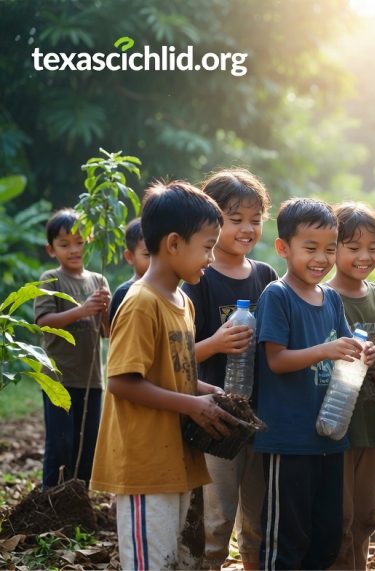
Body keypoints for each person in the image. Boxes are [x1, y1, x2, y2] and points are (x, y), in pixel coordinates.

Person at [90, 181, 237, 570]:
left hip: (176, 459)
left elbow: (175, 372)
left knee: (175, 560)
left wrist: (209, 392)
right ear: (174, 243)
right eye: (207, 247)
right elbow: (121, 381)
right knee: (151, 563)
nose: (211, 257)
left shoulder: (183, 302)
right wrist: (192, 404)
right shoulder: (141, 303)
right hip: (145, 463)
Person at [252, 197, 375, 570]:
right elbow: (276, 360)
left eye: (329, 249)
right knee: (286, 539)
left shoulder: (332, 298)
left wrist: (359, 354)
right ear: (283, 248)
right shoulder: (278, 296)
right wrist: (326, 350)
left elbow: (340, 351)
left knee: (327, 534)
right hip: (288, 440)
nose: (321, 258)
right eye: (310, 248)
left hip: (330, 437)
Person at [181, 168, 277, 571]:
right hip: (213, 416)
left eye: (255, 220)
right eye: (235, 219)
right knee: (216, 519)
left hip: (259, 416)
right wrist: (216, 344)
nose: (247, 228)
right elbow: (177, 359)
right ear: (212, 221)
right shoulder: (197, 280)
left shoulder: (266, 277)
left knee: (259, 519)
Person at [327, 202, 375, 571]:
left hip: (368, 417)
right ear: (332, 248)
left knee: (365, 514)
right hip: (334, 422)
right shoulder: (323, 297)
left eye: (373, 247)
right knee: (341, 515)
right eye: (353, 248)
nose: (364, 256)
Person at [35, 208, 110, 488]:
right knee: (61, 442)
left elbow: (107, 332)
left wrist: (104, 309)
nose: (73, 249)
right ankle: (51, 496)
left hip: (92, 380)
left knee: (87, 442)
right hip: (58, 378)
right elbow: (44, 322)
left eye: (79, 242)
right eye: (64, 245)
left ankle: (79, 497)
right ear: (51, 249)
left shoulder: (98, 281)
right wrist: (82, 310)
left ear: (88, 240)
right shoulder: (50, 279)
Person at [109, 218, 150, 322]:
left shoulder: (168, 291)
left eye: (158, 253)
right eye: (147, 255)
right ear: (130, 257)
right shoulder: (124, 293)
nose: (155, 261)